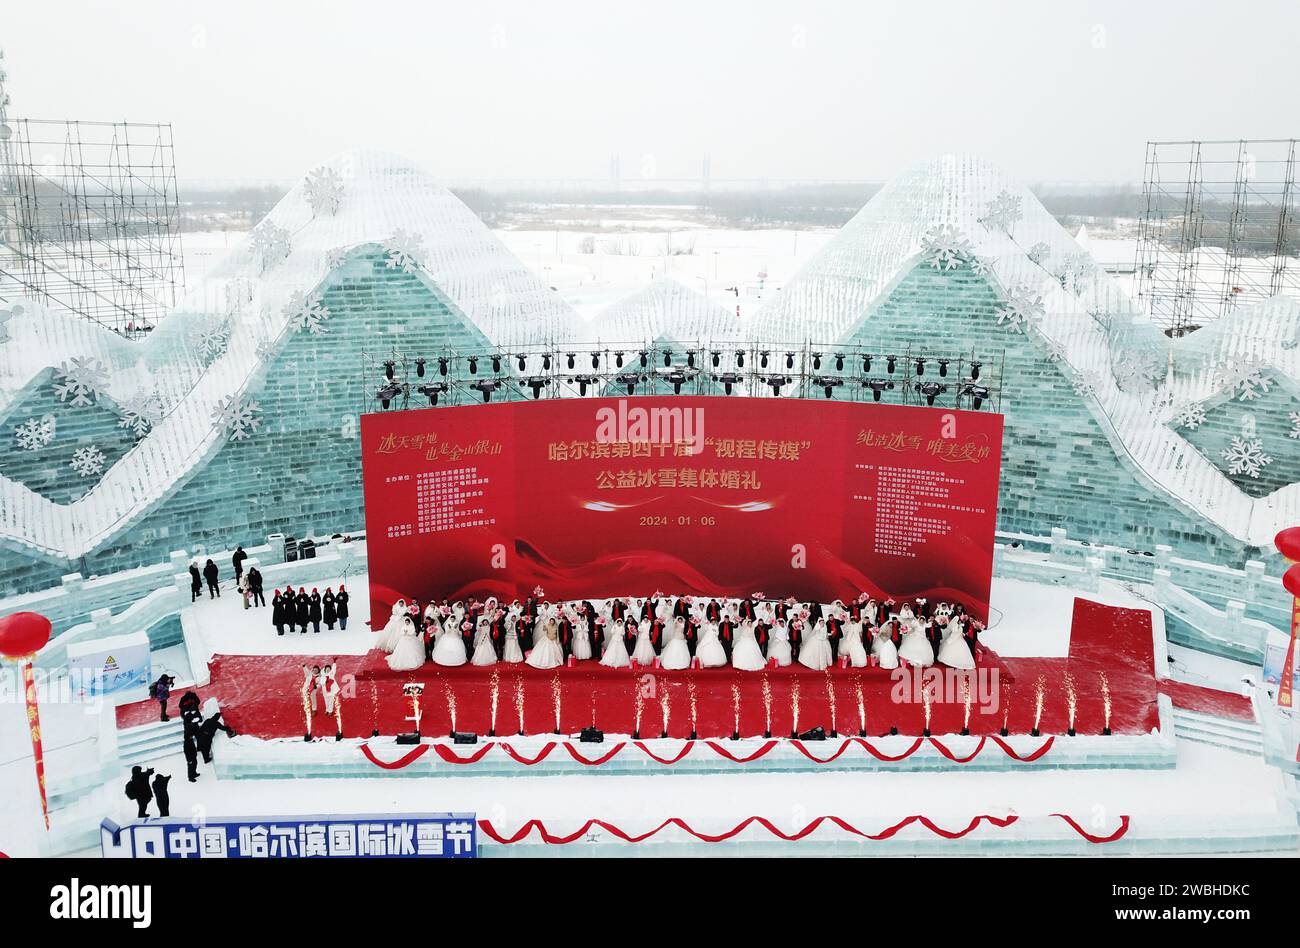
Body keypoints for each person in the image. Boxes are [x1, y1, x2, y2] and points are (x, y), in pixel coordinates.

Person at [896, 603, 934, 667]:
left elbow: (929, 625)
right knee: (913, 648)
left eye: (923, 620)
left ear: (924, 621)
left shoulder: (925, 625)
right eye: (920, 620)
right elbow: (912, 625)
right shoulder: (916, 624)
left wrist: (930, 621)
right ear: (919, 620)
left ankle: (920, 661)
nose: (921, 621)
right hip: (915, 637)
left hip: (923, 639)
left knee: (922, 650)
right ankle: (908, 660)